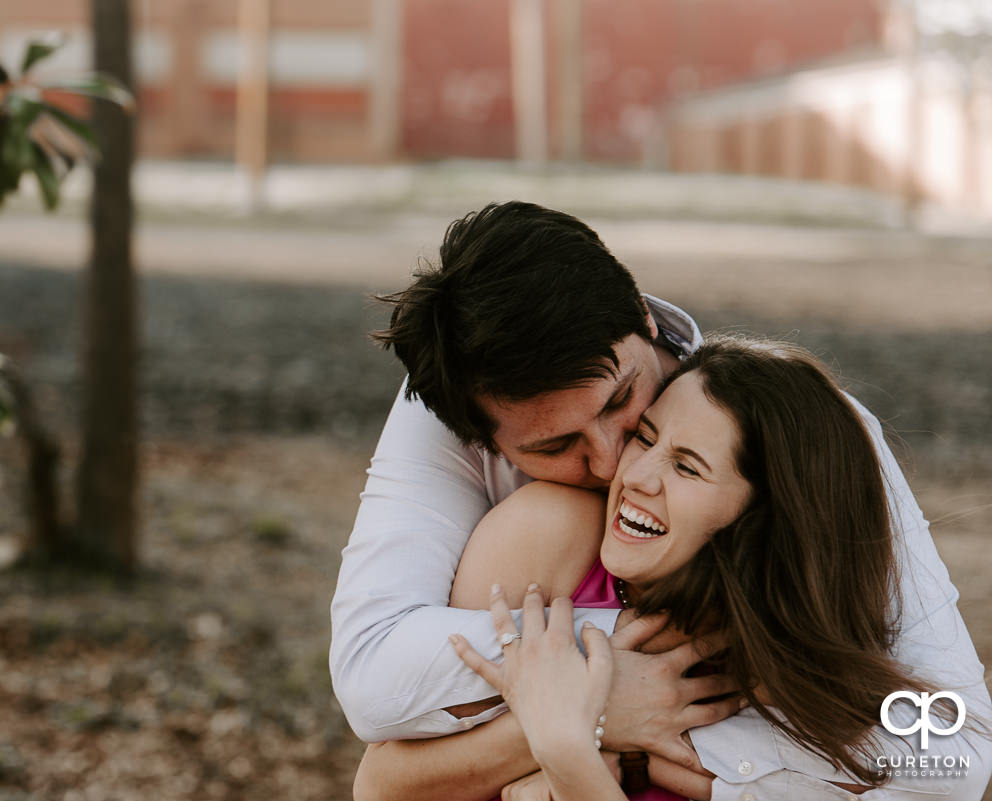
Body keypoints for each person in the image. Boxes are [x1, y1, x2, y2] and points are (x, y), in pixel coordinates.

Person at [328, 202, 992, 799]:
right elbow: (374, 681)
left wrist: (636, 737)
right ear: (485, 440)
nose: (619, 463)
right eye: (559, 445)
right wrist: (606, 684)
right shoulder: (464, 427)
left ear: (645, 321)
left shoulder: (807, 436)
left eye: (624, 405)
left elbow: (957, 753)